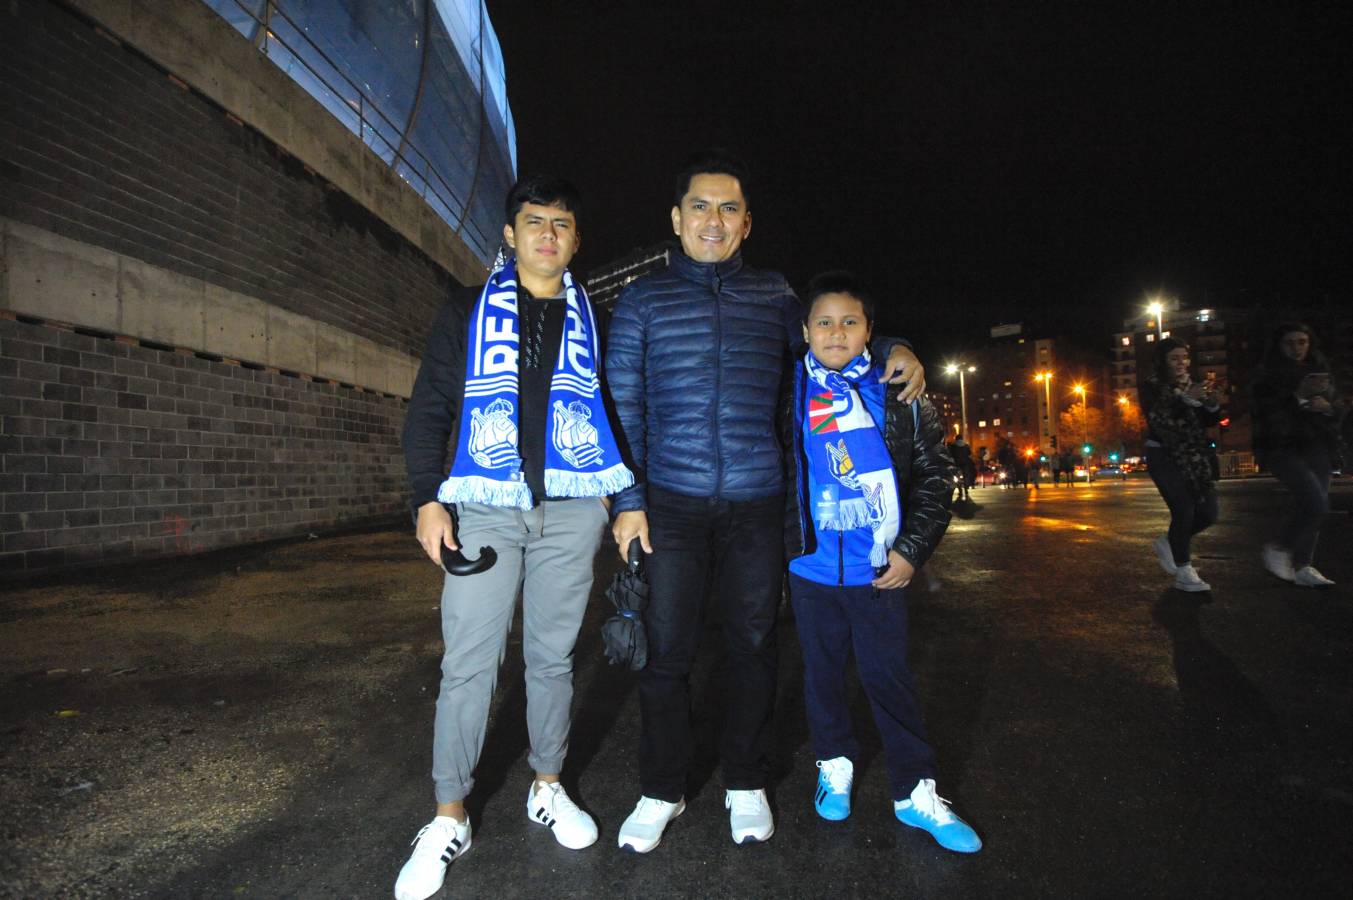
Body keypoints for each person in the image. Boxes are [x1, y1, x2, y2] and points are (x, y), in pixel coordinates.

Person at [605, 150, 926, 852]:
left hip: (758, 500)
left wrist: (899, 344)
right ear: (675, 218)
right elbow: (619, 403)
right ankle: (661, 788)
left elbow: (834, 348)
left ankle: (745, 782)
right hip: (671, 502)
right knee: (668, 651)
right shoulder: (642, 301)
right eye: (699, 206)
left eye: (728, 209)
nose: (712, 220)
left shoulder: (775, 297)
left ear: (746, 223)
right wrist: (627, 498)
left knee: (753, 644)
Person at [395, 176, 633, 900]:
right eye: (534, 222)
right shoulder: (468, 310)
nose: (547, 235)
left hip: (570, 509)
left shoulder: (600, 319)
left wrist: (624, 500)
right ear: (509, 233)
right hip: (486, 508)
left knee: (552, 658)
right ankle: (447, 815)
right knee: (469, 660)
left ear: (575, 239)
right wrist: (424, 501)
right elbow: (431, 406)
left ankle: (547, 785)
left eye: (561, 224)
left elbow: (615, 416)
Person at [783, 272, 980, 853]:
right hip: (811, 570)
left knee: (887, 678)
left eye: (850, 321)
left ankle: (915, 791)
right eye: (823, 321)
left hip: (880, 569)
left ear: (871, 331)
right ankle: (834, 763)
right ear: (805, 331)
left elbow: (937, 476)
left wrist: (912, 552)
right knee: (821, 679)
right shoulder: (787, 388)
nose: (836, 332)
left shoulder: (898, 393)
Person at [1252, 322, 1344, 587]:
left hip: (1318, 445)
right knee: (1316, 503)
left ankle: (1304, 565)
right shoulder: (1267, 377)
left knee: (1312, 507)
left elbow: (1338, 409)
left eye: (1302, 342)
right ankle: (1280, 547)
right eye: (1290, 343)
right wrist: (1300, 398)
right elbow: (1267, 416)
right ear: (1279, 346)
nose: (1297, 348)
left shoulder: (1319, 371)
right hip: (1283, 448)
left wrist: (1328, 407)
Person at [1140, 338, 1221, 592]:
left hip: (1194, 456)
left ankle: (1170, 541)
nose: (1181, 363)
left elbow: (1208, 421)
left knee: (1209, 513)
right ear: (1163, 361)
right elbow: (1158, 418)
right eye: (1174, 358)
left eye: (1184, 358)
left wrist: (1212, 404)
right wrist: (1185, 399)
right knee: (1184, 508)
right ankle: (1184, 570)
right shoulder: (1152, 386)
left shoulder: (1194, 385)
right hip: (1163, 455)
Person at [949, 436, 975, 500]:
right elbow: (969, 453)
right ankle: (966, 489)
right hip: (965, 464)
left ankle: (960, 490)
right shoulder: (966, 445)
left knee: (957, 477)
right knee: (966, 476)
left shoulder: (952, 446)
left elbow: (950, 454)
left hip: (956, 464)